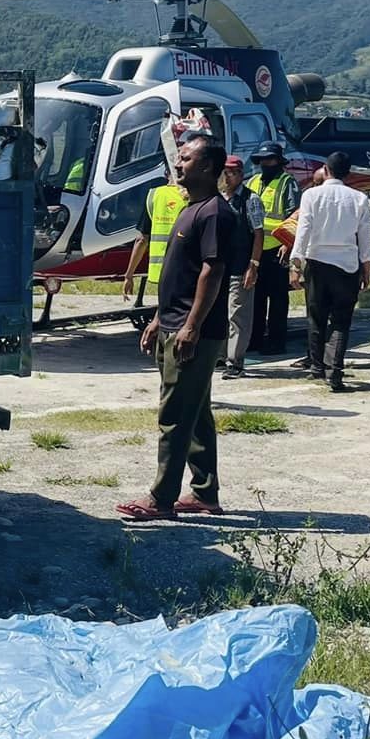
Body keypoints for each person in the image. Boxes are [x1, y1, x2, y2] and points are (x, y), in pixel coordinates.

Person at [117, 136, 242, 522]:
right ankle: (205, 493)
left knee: (174, 414)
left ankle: (161, 499)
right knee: (196, 410)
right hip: (174, 322)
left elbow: (213, 270)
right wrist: (159, 318)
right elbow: (180, 274)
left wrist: (190, 326)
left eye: (186, 159)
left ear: (207, 167)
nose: (178, 164)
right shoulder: (191, 208)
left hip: (194, 332)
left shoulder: (215, 214)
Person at [288, 152, 370, 393]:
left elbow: (303, 230)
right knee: (341, 320)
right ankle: (334, 371)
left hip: (316, 261)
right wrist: (366, 267)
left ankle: (317, 367)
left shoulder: (311, 195)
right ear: (348, 173)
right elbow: (364, 237)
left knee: (316, 316)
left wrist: (296, 264)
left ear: (326, 170)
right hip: (346, 264)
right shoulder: (359, 199)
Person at [245, 143, 301, 357]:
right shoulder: (253, 181)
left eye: (270, 159)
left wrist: (288, 244)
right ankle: (255, 339)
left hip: (278, 249)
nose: (265, 163)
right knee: (256, 298)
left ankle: (277, 342)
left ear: (278, 161)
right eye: (263, 159)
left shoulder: (287, 182)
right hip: (257, 249)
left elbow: (294, 215)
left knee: (278, 299)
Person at [218, 154, 266, 379]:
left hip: (240, 267)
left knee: (237, 316)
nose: (228, 178)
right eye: (225, 173)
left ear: (240, 175)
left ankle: (235, 361)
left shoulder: (250, 200)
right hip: (219, 268)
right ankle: (219, 355)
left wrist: (253, 266)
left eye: (233, 173)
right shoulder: (217, 198)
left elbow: (258, 234)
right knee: (218, 314)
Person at [123, 166, 187, 305]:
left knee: (165, 311)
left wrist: (129, 275)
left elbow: (141, 240)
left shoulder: (154, 196)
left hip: (160, 271)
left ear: (166, 173)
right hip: (184, 269)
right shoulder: (190, 196)